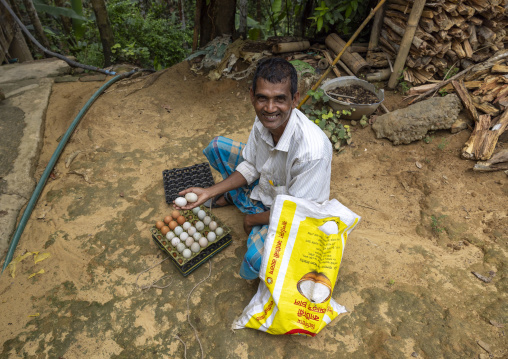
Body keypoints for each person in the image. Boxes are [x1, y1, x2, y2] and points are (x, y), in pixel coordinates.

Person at [176, 57, 332, 279]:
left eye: (280, 99)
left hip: (294, 213)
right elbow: (251, 166)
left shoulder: (311, 152)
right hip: (268, 187)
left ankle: (245, 205)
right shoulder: (263, 121)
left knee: (256, 261)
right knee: (217, 146)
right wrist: (210, 191)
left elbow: (297, 213)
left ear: (295, 99)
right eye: (262, 99)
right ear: (252, 96)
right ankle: (236, 198)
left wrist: (253, 220)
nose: (270, 108)